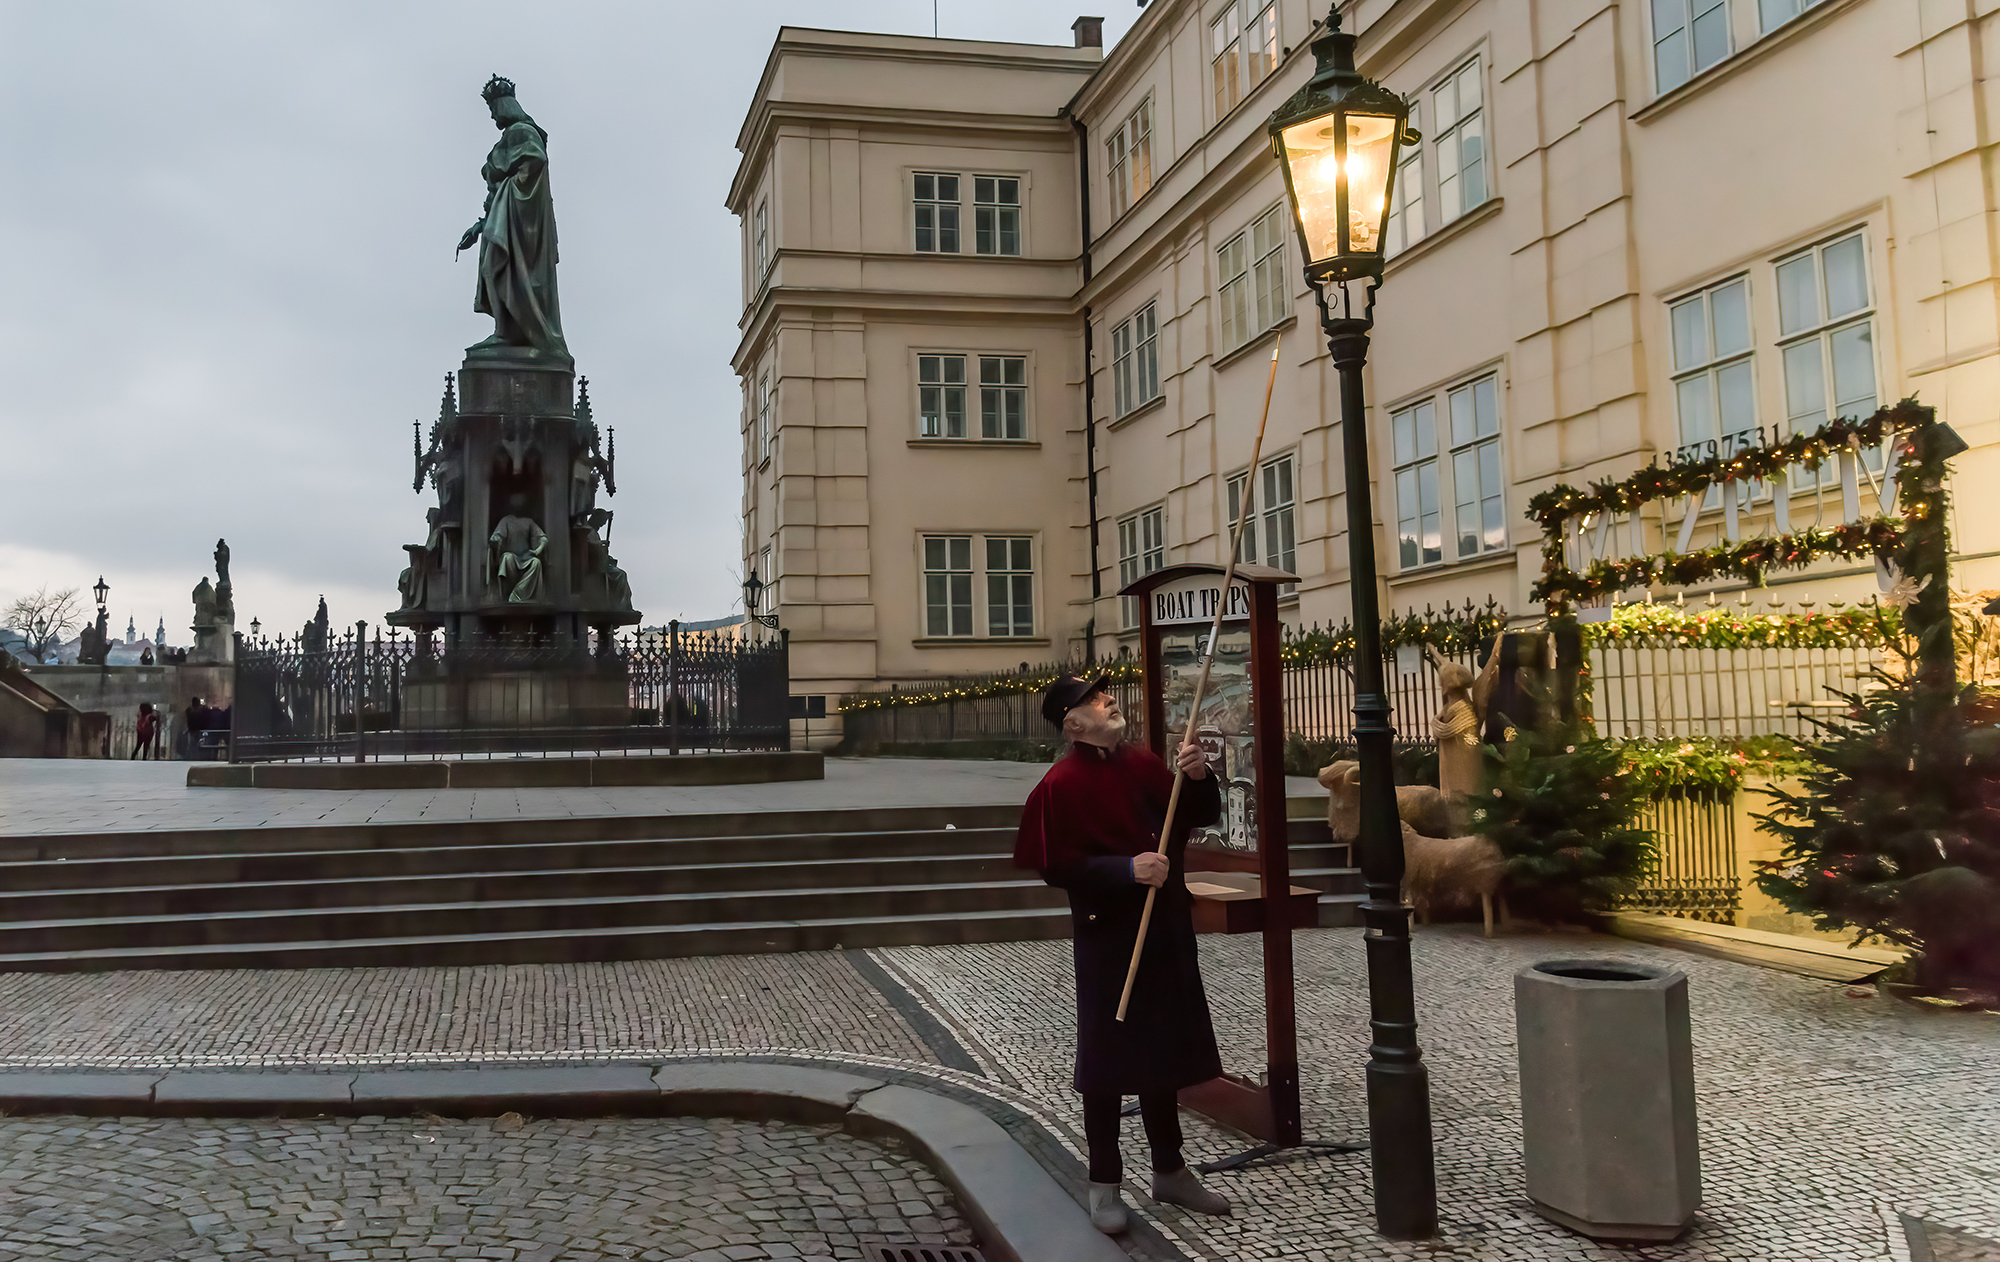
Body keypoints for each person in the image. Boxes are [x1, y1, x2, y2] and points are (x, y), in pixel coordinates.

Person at [1013, 673, 1233, 1235]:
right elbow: (1056, 867)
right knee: (1110, 1059)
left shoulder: (1143, 764)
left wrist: (1200, 776)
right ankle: (1104, 1182)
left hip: (1162, 926)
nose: (1107, 701)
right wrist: (1125, 870)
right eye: (1093, 700)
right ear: (1072, 722)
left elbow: (1197, 815)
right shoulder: (1060, 784)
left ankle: (1170, 1170)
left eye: (1104, 696)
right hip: (1109, 934)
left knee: (1163, 1047)